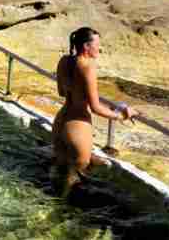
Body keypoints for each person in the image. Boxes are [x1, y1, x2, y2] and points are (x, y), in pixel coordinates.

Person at [52, 26, 136, 197]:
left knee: (59, 172)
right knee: (72, 179)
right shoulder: (88, 67)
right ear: (86, 47)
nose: (100, 48)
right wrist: (121, 115)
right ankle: (58, 212)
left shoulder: (64, 61)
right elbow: (96, 107)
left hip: (60, 122)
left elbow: (61, 92)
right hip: (77, 126)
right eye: (97, 44)